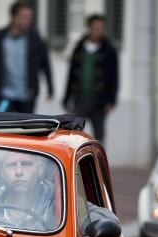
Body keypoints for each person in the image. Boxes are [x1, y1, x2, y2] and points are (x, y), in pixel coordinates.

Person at [0, 1, 53, 113]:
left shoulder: (36, 38)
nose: (28, 21)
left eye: (29, 17)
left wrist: (50, 88)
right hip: (5, 95)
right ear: (14, 17)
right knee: (2, 124)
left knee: (26, 129)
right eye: (24, 17)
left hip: (27, 96)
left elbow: (45, 64)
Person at [63, 14, 119, 142]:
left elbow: (114, 77)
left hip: (100, 101)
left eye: (101, 28)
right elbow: (71, 74)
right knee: (74, 133)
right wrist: (67, 97)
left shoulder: (109, 50)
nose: (98, 30)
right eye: (95, 27)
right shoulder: (79, 48)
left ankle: (98, 161)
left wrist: (111, 100)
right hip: (80, 98)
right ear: (89, 28)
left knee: (99, 135)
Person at [0, 152, 56, 229]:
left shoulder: (56, 208)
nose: (19, 172)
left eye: (26, 164)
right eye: (12, 165)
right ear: (2, 171)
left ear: (40, 169)